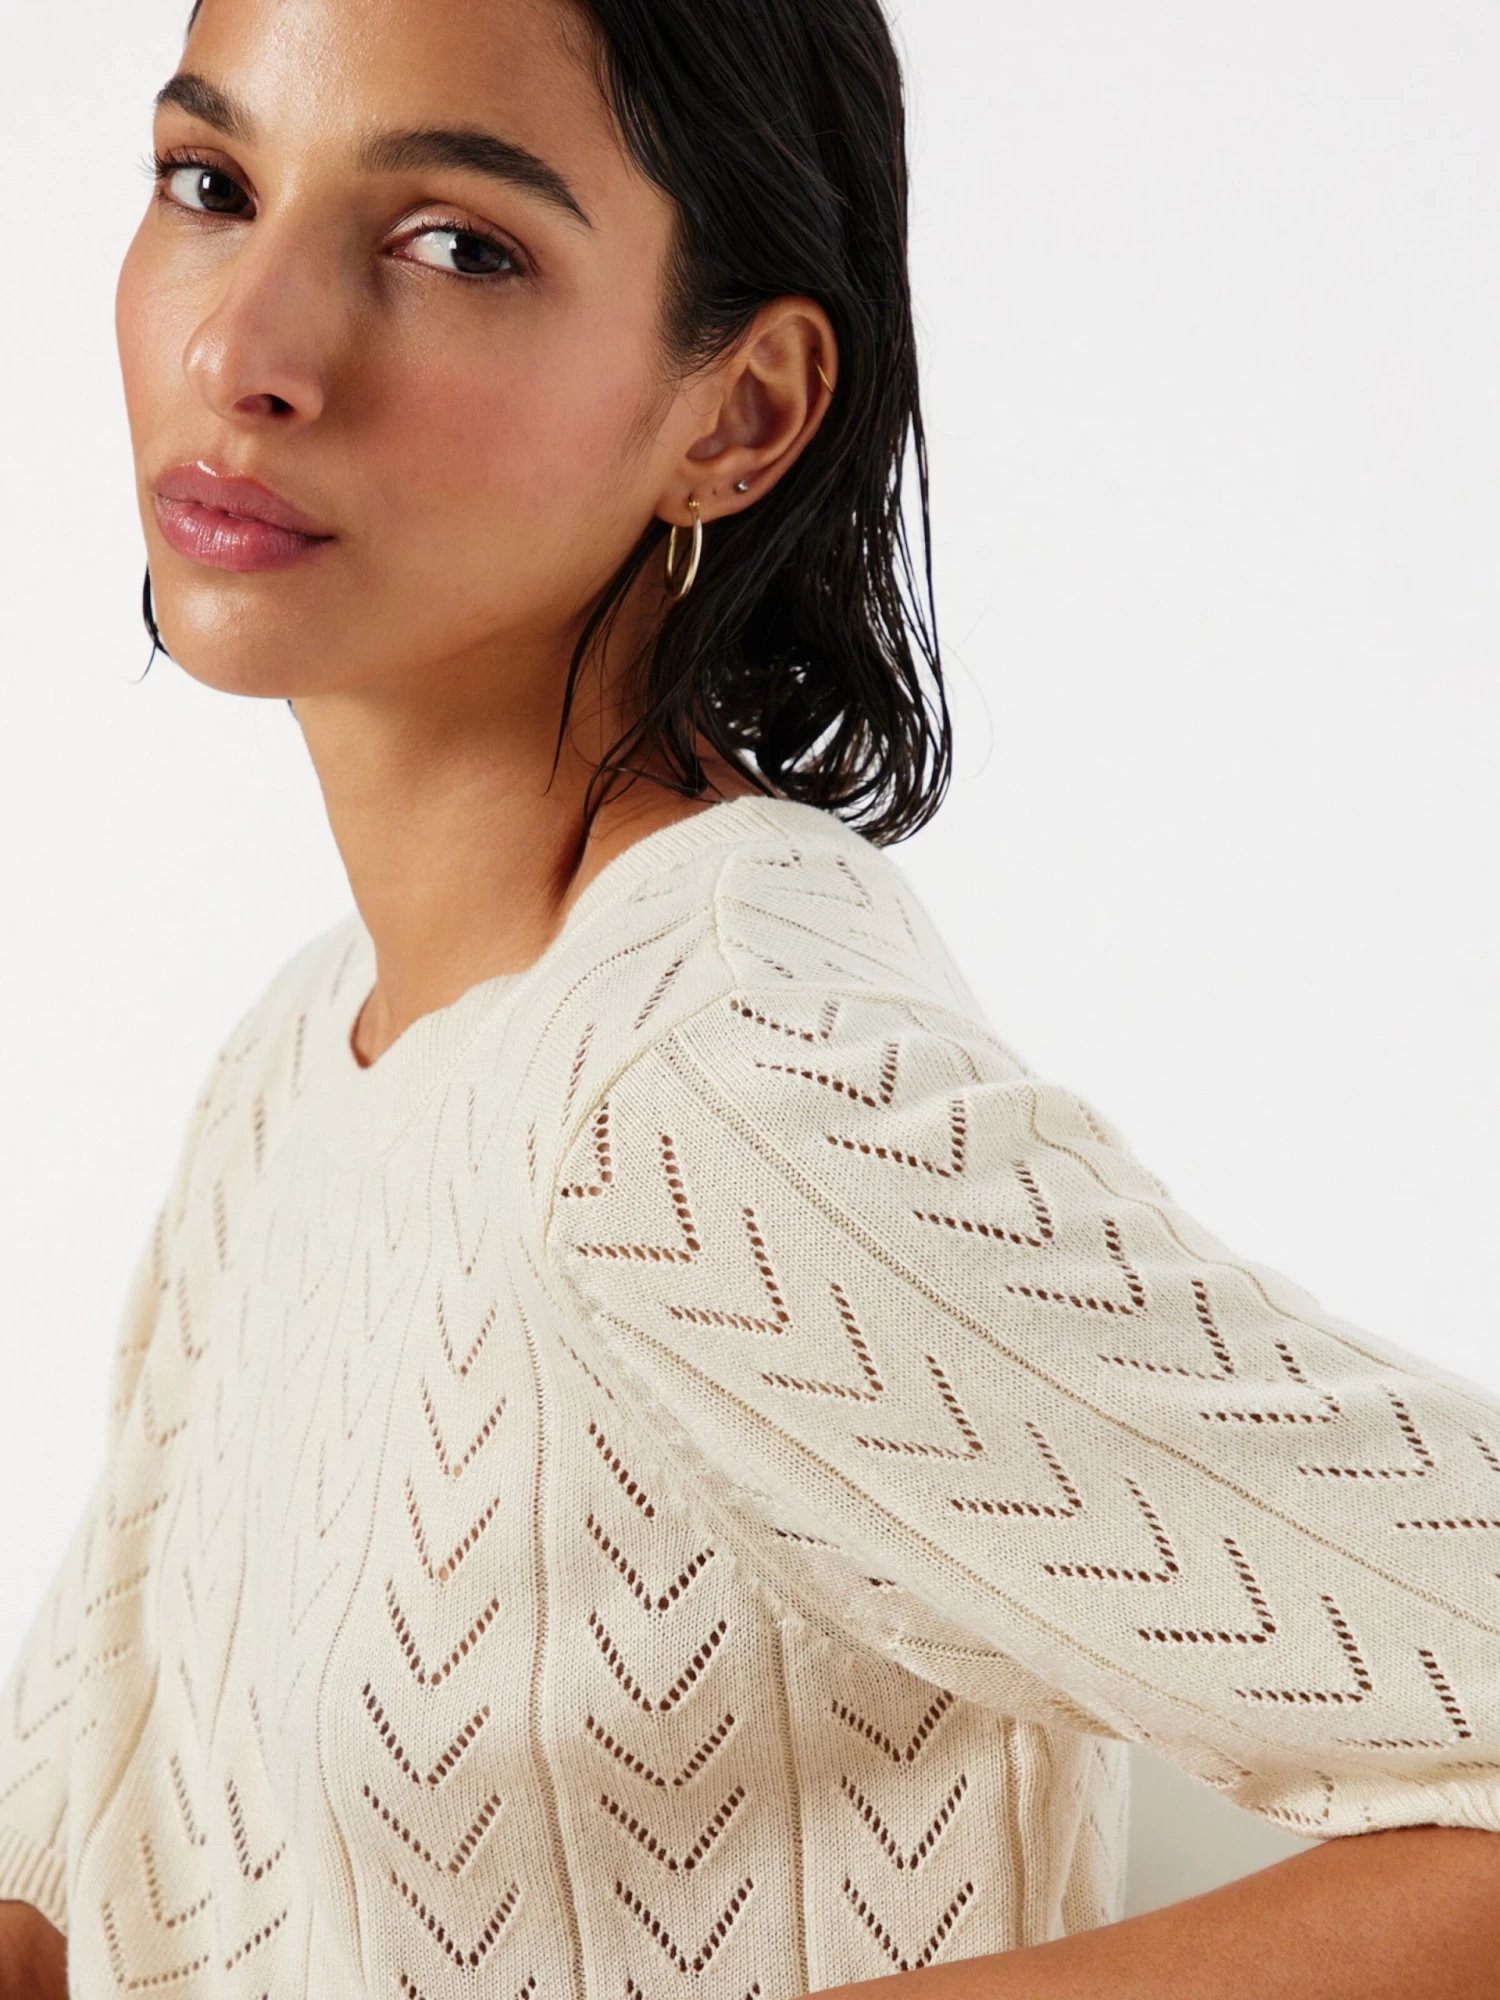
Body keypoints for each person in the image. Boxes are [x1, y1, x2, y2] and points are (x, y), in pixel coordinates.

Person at [3, 0, 1499, 1993]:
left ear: (742, 412)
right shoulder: (308, 1056)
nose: (243, 350)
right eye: (211, 184)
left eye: (456, 242)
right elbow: (76, 1883)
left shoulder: (696, 1089)